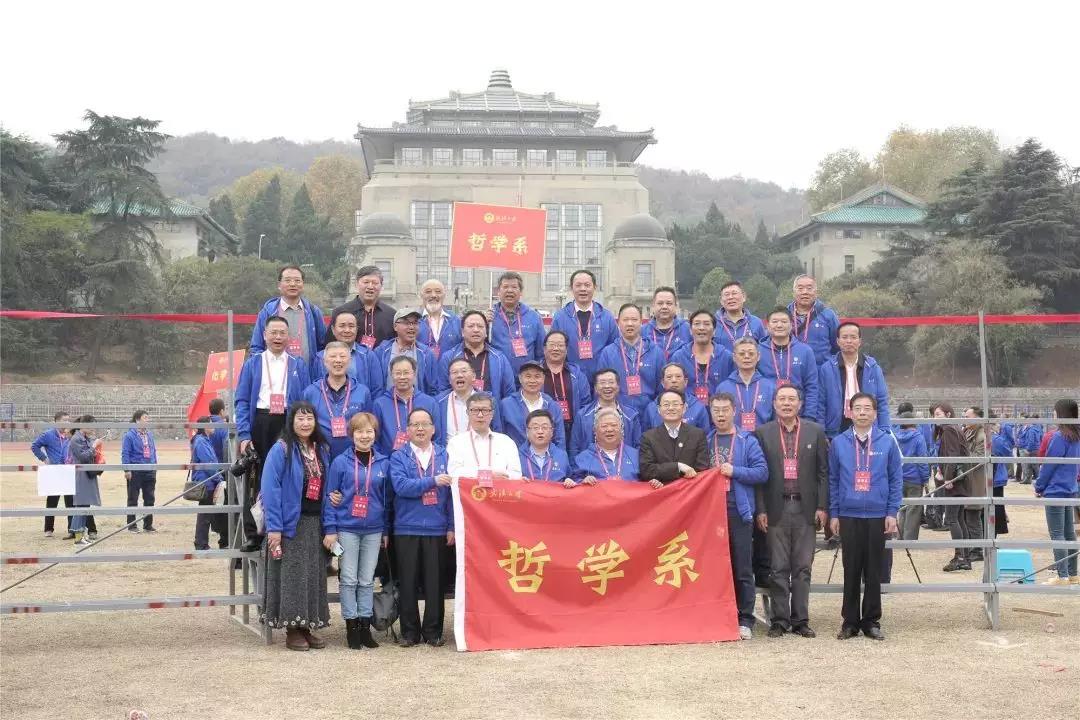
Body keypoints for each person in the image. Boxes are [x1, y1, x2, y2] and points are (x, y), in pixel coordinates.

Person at [754, 386, 828, 639]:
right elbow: (759, 478)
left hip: (805, 509)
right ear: (774, 404)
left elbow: (823, 473)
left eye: (791, 399)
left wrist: (822, 506)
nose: (787, 403)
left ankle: (800, 620)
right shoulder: (763, 433)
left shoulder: (815, 431)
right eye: (782, 399)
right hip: (776, 508)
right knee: (778, 568)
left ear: (800, 403)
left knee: (803, 567)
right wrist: (761, 509)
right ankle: (779, 620)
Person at [829, 392, 902, 641]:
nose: (862, 412)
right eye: (857, 408)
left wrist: (892, 512)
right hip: (848, 514)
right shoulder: (838, 443)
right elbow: (833, 480)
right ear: (850, 412)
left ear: (875, 413)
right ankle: (850, 621)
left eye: (867, 408)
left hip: (877, 514)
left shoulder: (887, 442)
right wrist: (835, 513)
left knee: (874, 570)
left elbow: (896, 479)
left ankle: (871, 621)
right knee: (850, 568)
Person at [259, 401, 332, 650]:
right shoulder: (281, 450)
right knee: (292, 578)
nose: (305, 423)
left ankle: (307, 625)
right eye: (300, 418)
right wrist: (275, 528)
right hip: (290, 524)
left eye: (309, 418)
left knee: (310, 577)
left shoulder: (321, 449)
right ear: (291, 422)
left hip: (315, 523)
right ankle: (292, 628)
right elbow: (270, 490)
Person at [236, 316, 311, 551]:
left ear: (289, 337)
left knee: (289, 474)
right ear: (265, 335)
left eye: (282, 333)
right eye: (273, 332)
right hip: (261, 421)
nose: (278, 337)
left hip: (288, 421)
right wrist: (244, 434)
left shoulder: (298, 365)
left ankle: (286, 527)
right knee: (256, 477)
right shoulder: (253, 363)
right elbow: (241, 400)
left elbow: (304, 401)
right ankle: (254, 533)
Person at [323, 412, 391, 648]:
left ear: (375, 434)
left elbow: (387, 500)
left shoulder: (383, 462)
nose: (364, 436)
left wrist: (385, 530)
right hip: (346, 529)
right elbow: (330, 497)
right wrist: (330, 529)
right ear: (351, 434)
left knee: (367, 579)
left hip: (374, 529)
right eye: (360, 431)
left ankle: (364, 624)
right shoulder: (340, 462)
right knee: (349, 578)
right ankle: (351, 625)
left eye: (369, 431)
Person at [705, 392, 769, 639]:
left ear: (734, 411)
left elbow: (762, 472)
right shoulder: (705, 440)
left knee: (743, 567)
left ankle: (745, 619)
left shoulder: (746, 440)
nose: (720, 415)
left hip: (738, 511)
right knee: (716, 567)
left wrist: (735, 471)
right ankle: (720, 615)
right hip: (711, 513)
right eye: (716, 410)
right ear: (710, 412)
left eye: (725, 410)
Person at [389, 408, 454, 646]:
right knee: (407, 582)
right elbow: (401, 487)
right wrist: (432, 481)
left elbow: (452, 496)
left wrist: (451, 526)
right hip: (407, 527)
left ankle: (433, 632)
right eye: (415, 424)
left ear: (433, 429)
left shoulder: (445, 454)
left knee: (435, 583)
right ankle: (409, 633)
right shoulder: (399, 456)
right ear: (407, 430)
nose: (420, 429)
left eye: (425, 424)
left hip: (437, 527)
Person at [818, 322, 891, 438]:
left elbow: (882, 401)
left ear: (860, 341)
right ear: (838, 341)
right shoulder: (827, 369)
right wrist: (821, 433)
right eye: (844, 337)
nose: (849, 341)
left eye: (853, 337)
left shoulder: (873, 368)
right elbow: (821, 404)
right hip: (837, 428)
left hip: (867, 425)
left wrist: (884, 430)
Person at [302, 342, 373, 460]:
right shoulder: (310, 392)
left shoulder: (363, 392)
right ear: (324, 361)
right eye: (333, 356)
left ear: (349, 361)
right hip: (319, 457)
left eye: (342, 356)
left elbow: (368, 426)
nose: (338, 360)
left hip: (353, 459)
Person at [1035, 399, 1079, 585]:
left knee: (1057, 533)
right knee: (1069, 533)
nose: (1053, 414)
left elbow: (1049, 465)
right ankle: (1073, 573)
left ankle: (1062, 576)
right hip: (1070, 489)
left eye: (1054, 411)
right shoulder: (1076, 436)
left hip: (1055, 490)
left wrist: (1039, 486)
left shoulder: (1060, 437)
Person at [595, 303, 664, 415]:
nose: (630, 323)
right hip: (617, 415)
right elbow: (600, 388)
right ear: (618, 323)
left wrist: (653, 412)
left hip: (649, 414)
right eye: (625, 320)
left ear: (641, 322)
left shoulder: (655, 352)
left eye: (634, 320)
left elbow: (662, 388)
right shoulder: (607, 353)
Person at [549, 269, 619, 380]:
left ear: (594, 287)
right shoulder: (560, 317)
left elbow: (614, 349)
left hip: (601, 380)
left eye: (587, 285)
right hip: (570, 379)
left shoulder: (606, 317)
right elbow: (553, 349)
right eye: (578, 285)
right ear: (571, 288)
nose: (583, 289)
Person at [249, 265, 328, 364]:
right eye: (287, 280)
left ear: (303, 284)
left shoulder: (313, 312)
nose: (292, 284)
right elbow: (256, 347)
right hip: (275, 372)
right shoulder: (268, 312)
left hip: (308, 372)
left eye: (297, 280)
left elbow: (323, 347)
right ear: (279, 285)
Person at [937, 404, 982, 572]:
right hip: (961, 480)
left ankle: (960, 557)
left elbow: (952, 454)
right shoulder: (955, 428)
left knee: (951, 518)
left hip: (956, 481)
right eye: (934, 414)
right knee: (959, 518)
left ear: (948, 414)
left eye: (938, 414)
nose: (935, 417)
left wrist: (948, 477)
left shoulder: (949, 429)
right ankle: (965, 556)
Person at [436, 310, 515, 402]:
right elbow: (442, 391)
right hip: (458, 408)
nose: (476, 330)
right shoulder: (449, 357)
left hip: (490, 409)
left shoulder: (499, 358)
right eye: (471, 326)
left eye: (480, 326)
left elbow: (509, 393)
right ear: (462, 332)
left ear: (486, 332)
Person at [639, 390, 710, 487]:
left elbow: (703, 469)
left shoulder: (698, 435)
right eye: (666, 404)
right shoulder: (648, 437)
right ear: (659, 409)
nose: (671, 408)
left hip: (690, 491)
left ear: (684, 408)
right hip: (661, 491)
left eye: (675, 404)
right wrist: (678, 467)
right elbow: (646, 471)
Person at [757, 307, 819, 418]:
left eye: (784, 321)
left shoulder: (805, 351)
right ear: (767, 326)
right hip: (767, 415)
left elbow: (812, 386)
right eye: (775, 321)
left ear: (791, 325)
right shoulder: (758, 351)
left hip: (798, 414)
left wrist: (809, 416)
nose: (779, 325)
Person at [447, 393, 522, 481]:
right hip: (469, 489)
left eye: (485, 410)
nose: (480, 415)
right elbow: (454, 472)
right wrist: (486, 475)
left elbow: (516, 474)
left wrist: (501, 477)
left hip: (499, 489)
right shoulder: (456, 442)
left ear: (492, 414)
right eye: (475, 410)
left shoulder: (506, 442)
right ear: (468, 413)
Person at [372, 356, 438, 456]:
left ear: (414, 374)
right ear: (391, 375)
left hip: (423, 461)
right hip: (389, 461)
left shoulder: (429, 402)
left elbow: (437, 437)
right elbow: (375, 439)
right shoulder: (380, 404)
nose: (402, 377)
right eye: (398, 373)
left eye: (406, 373)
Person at [569, 368, 643, 457]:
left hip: (623, 463)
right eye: (602, 383)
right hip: (590, 463)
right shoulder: (582, 415)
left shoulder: (631, 415)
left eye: (611, 382)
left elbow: (638, 445)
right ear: (595, 388)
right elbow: (574, 447)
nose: (607, 386)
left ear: (618, 387)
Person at [496, 361, 567, 450]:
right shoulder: (506, 405)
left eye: (537, 376)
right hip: (515, 456)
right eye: (528, 376)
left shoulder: (553, 406)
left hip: (546, 457)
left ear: (543, 379)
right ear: (520, 378)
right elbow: (499, 435)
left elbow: (560, 440)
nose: (532, 381)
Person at [670, 310, 735, 405]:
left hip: (719, 411)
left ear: (714, 331)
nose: (701, 328)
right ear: (690, 330)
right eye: (697, 324)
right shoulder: (679, 357)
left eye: (706, 324)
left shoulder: (727, 357)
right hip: (688, 410)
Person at [487, 271, 545, 375]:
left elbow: (541, 351)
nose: (509, 290)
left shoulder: (534, 317)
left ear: (521, 292)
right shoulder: (489, 317)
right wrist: (484, 324)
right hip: (497, 376)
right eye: (505, 287)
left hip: (526, 378)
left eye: (514, 287)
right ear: (498, 291)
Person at [310, 311, 383, 394]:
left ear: (357, 329)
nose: (347, 330)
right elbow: (315, 389)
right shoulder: (320, 357)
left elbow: (377, 390)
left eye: (351, 326)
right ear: (333, 329)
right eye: (342, 326)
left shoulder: (368, 356)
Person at [716, 337, 776, 433]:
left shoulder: (770, 387)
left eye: (751, 353)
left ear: (758, 356)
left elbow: (775, 420)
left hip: (764, 438)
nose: (746, 357)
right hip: (733, 438)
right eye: (742, 354)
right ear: (734, 357)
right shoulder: (723, 388)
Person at [374, 308, 439, 395]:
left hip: (417, 403)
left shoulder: (426, 354)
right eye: (406, 323)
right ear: (395, 326)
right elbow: (376, 387)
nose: (411, 327)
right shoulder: (381, 352)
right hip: (389, 402)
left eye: (415, 323)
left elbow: (433, 388)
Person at [541, 330, 592, 439]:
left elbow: (586, 404)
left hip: (573, 430)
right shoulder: (536, 373)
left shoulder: (578, 375)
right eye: (552, 345)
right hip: (543, 431)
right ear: (544, 349)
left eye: (560, 345)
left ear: (566, 349)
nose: (556, 348)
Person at [333, 265, 396, 349]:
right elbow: (330, 344)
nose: (370, 286)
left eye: (375, 283)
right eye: (366, 282)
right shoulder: (341, 312)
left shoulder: (391, 314)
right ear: (356, 284)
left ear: (381, 286)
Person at [571, 408, 642, 484]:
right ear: (595, 430)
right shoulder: (583, 458)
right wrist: (582, 482)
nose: (609, 429)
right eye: (604, 426)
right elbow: (573, 483)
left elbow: (646, 481)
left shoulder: (636, 456)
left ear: (621, 429)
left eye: (614, 425)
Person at [31, 411, 71, 537]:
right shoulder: (48, 434)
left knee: (70, 501)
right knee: (52, 501)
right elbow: (35, 446)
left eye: (68, 420)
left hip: (68, 471)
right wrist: (44, 459)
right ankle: (48, 529)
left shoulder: (71, 435)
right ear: (56, 421)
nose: (67, 423)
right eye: (64, 420)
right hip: (54, 472)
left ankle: (72, 529)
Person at [191, 418, 228, 551]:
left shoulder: (204, 440)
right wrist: (219, 478)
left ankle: (201, 542)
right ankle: (201, 543)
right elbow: (209, 464)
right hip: (207, 482)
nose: (213, 426)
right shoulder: (201, 441)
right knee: (205, 515)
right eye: (211, 423)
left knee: (206, 514)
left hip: (208, 480)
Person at [893, 411, 931, 541]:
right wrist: (925, 478)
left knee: (902, 508)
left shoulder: (895, 437)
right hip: (915, 478)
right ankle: (910, 539)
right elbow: (922, 460)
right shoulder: (918, 437)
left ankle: (901, 537)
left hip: (899, 477)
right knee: (913, 509)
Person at [787, 275, 840, 366]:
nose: (805, 292)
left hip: (821, 369)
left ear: (816, 293)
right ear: (793, 293)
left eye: (809, 288)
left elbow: (838, 345)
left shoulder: (828, 315)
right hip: (791, 370)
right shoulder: (784, 316)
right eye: (800, 288)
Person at [66, 415, 102, 546]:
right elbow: (83, 456)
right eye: (91, 426)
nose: (93, 429)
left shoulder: (85, 438)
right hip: (81, 475)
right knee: (80, 506)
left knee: (85, 506)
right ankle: (78, 537)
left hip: (87, 474)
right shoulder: (76, 439)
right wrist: (94, 446)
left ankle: (81, 535)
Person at [642, 364, 710, 433]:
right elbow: (646, 436)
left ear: (685, 382)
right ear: (662, 383)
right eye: (669, 377)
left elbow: (705, 436)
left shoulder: (698, 407)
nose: (674, 380)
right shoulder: (652, 408)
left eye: (678, 377)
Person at [122, 409, 158, 533]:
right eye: (145, 418)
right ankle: (132, 525)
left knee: (150, 498)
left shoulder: (149, 434)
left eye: (148, 418)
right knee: (133, 498)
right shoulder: (129, 435)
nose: (147, 420)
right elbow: (125, 453)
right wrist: (127, 469)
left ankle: (148, 525)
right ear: (137, 420)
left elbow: (153, 451)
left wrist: (154, 465)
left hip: (149, 470)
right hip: (136, 470)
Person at [518, 409, 573, 485]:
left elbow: (571, 477)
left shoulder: (561, 456)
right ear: (527, 432)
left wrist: (569, 481)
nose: (540, 431)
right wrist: (517, 481)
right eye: (535, 427)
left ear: (552, 432)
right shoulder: (517, 456)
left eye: (544, 427)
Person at [712, 280, 767, 353]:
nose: (730, 297)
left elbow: (764, 350)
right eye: (726, 294)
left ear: (744, 297)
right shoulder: (712, 323)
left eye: (734, 293)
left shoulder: (756, 323)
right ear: (721, 300)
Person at [434, 357, 476, 447]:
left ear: (473, 376)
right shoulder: (438, 402)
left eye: (464, 371)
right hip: (448, 452)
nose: (459, 375)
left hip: (477, 452)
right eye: (454, 372)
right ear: (449, 379)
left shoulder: (486, 401)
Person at [642, 286, 691, 361]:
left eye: (669, 303)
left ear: (676, 306)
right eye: (660, 303)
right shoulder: (642, 331)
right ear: (653, 306)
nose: (664, 307)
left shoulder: (688, 329)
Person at [417, 279, 462, 361]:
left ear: (444, 295)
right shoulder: (415, 320)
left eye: (438, 292)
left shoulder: (456, 320)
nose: (433, 295)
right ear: (421, 295)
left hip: (449, 367)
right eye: (428, 292)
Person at [989, 414, 1012, 537]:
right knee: (996, 506)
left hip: (990, 477)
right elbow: (1008, 453)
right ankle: (994, 535)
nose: (999, 426)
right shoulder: (997, 439)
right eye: (997, 423)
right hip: (996, 478)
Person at [208, 398, 230, 463]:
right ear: (221, 411)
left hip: (207, 465)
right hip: (220, 465)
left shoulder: (204, 424)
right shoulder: (224, 427)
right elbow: (226, 450)